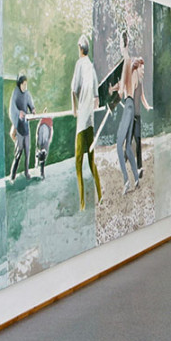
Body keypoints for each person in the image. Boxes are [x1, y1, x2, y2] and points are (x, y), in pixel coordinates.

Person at [71, 33, 102, 210]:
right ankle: (100, 195)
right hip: (90, 121)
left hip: (82, 122)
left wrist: (75, 109)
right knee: (91, 161)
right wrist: (90, 105)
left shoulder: (80, 64)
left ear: (80, 49)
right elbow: (97, 97)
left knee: (78, 163)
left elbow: (73, 90)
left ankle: (82, 204)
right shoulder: (91, 67)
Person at [110, 31, 142, 195]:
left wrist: (115, 94)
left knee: (118, 144)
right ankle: (136, 179)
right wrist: (114, 88)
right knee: (128, 146)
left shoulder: (126, 62)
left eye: (119, 44)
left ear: (123, 45)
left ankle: (126, 181)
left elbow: (122, 89)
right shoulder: (131, 63)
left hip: (128, 105)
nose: (120, 47)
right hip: (130, 106)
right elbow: (126, 83)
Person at [8, 74, 36, 181]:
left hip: (26, 125)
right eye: (23, 84)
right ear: (20, 84)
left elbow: (30, 103)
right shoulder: (15, 93)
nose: (25, 87)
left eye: (26, 85)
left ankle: (27, 172)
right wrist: (18, 113)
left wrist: (33, 109)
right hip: (18, 126)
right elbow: (12, 108)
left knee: (27, 150)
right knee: (18, 151)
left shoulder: (27, 93)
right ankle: (12, 175)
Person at [131, 60, 152, 179]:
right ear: (138, 68)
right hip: (130, 116)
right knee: (129, 141)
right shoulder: (133, 79)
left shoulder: (141, 81)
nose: (143, 71)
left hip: (137, 116)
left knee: (138, 140)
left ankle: (140, 167)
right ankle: (124, 159)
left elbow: (142, 96)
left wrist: (147, 106)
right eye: (142, 69)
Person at [35, 115, 53, 180]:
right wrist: (50, 138)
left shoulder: (45, 119)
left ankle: (38, 167)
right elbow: (51, 128)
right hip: (45, 128)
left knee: (40, 149)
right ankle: (41, 172)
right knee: (44, 151)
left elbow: (39, 125)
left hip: (42, 127)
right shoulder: (49, 119)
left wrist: (37, 135)